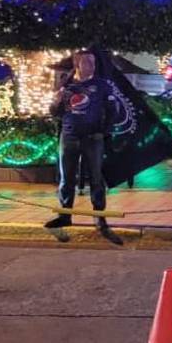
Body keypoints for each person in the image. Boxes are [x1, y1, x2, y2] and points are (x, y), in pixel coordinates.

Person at [45, 51, 121, 245]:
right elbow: (54, 112)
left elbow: (114, 110)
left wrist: (104, 131)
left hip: (92, 138)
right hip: (69, 136)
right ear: (77, 65)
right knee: (66, 179)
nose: (92, 66)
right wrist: (57, 100)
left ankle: (100, 219)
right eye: (87, 62)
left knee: (96, 179)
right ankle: (65, 215)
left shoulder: (102, 86)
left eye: (93, 62)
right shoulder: (67, 85)